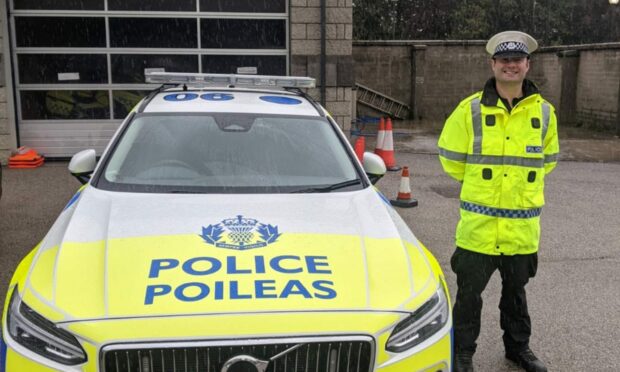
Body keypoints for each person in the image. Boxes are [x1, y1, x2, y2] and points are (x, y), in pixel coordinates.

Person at [438, 31, 559, 372]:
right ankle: (462, 353)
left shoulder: (545, 114)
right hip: (479, 230)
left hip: (521, 231)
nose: (511, 65)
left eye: (517, 60)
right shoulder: (470, 110)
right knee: (468, 298)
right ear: (493, 64)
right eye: (504, 60)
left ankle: (518, 349)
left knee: (516, 296)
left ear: (527, 64)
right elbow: (451, 159)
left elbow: (547, 162)